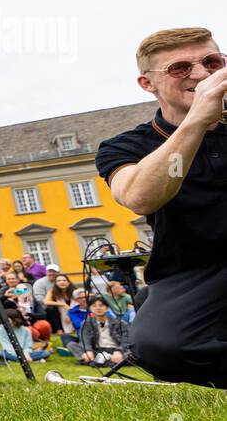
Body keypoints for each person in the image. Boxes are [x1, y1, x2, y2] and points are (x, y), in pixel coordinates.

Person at [95, 27, 227, 387]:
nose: (201, 74)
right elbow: (139, 196)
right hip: (191, 273)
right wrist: (197, 120)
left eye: (212, 62)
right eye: (180, 68)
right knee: (158, 346)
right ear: (146, 83)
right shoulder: (126, 145)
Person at [78, 295, 131, 369]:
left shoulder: (120, 323)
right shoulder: (86, 323)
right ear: (90, 308)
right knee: (72, 345)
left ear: (107, 308)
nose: (98, 308)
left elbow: (126, 340)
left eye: (101, 305)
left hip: (115, 349)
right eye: (94, 306)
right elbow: (85, 339)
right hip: (97, 350)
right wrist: (88, 350)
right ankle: (98, 360)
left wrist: (119, 351)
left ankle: (96, 361)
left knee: (131, 353)